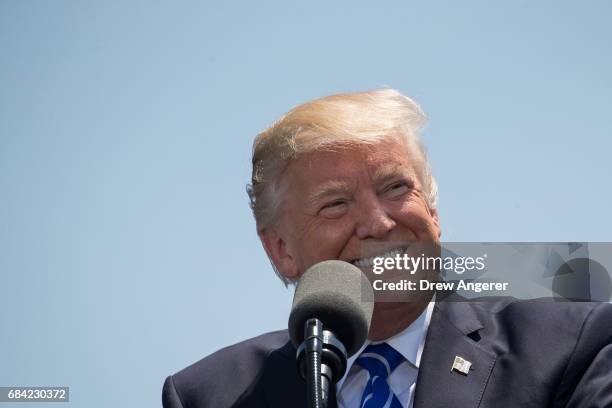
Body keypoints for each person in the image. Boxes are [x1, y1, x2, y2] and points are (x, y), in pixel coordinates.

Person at [162, 89, 612, 408]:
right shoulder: (208, 395)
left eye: (396, 188)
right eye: (336, 204)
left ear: (433, 211)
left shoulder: (572, 342)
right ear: (280, 249)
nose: (379, 223)